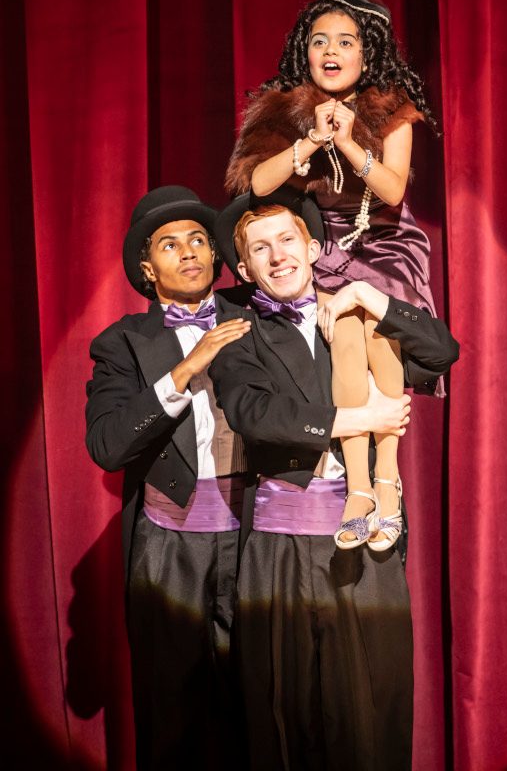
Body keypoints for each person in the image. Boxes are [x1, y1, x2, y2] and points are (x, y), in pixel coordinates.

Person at [210, 187, 459, 771]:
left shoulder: (358, 319)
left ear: (312, 245)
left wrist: (375, 297)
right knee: (282, 711)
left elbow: (441, 352)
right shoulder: (236, 328)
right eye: (260, 249)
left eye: (287, 240)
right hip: (278, 553)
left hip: (366, 546)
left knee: (371, 706)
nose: (277, 257)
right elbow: (254, 415)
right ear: (245, 267)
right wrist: (359, 419)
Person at [225, 0, 439, 549]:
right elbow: (256, 184)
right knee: (344, 335)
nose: (331, 50)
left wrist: (345, 141)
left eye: (346, 41)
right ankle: (362, 487)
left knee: (375, 332)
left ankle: (385, 481)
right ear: (306, 51)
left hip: (386, 243)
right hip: (324, 245)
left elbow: (392, 192)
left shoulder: (392, 109)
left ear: (367, 54)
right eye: (320, 40)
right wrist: (311, 138)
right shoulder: (286, 108)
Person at [85, 186, 251, 770]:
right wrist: (183, 371)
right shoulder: (124, 343)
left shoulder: (255, 318)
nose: (189, 252)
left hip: (258, 538)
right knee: (173, 715)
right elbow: (107, 446)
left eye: (200, 240)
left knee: (256, 712)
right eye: (170, 243)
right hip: (168, 542)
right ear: (147, 268)